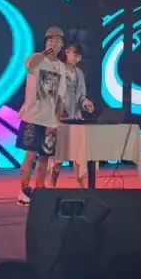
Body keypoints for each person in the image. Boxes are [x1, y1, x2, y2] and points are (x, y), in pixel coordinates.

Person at [17, 26, 66, 206]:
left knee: (44, 157)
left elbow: (60, 97)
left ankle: (40, 190)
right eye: (50, 40)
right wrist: (45, 53)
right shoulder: (36, 59)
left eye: (57, 41)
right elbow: (29, 65)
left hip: (49, 120)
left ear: (62, 45)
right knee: (30, 154)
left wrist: (57, 121)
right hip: (32, 117)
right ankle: (24, 190)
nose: (53, 43)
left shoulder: (61, 67)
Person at [50, 40, 95, 188]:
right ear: (67, 52)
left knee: (79, 156)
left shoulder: (79, 73)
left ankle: (81, 185)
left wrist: (86, 103)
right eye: (75, 55)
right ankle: (52, 185)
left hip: (76, 119)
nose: (77, 59)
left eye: (79, 56)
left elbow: (81, 96)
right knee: (58, 156)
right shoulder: (58, 69)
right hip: (61, 119)